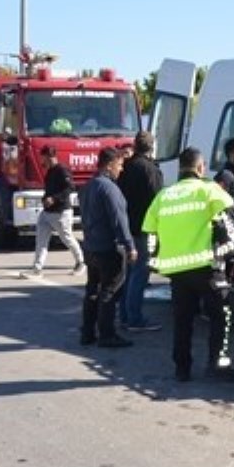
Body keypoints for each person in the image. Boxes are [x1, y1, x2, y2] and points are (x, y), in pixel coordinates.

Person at [144, 147, 234, 382]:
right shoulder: (210, 191)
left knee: (183, 320)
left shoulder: (163, 196)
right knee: (222, 314)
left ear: (180, 168)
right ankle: (217, 364)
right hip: (206, 267)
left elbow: (150, 235)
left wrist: (157, 262)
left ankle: (182, 368)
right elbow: (232, 227)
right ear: (201, 168)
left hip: (177, 271)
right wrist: (226, 252)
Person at [78, 147, 137, 347]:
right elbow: (119, 220)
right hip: (107, 248)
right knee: (109, 291)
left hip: (91, 246)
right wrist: (130, 246)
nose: (121, 170)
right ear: (110, 165)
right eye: (120, 165)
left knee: (93, 290)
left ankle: (87, 332)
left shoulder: (88, 186)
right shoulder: (109, 188)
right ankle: (107, 335)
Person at [115, 131, 164, 332]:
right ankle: (134, 317)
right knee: (140, 273)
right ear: (151, 147)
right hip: (143, 227)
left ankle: (125, 315)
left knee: (129, 272)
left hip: (127, 226)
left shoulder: (126, 166)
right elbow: (157, 200)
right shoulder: (150, 169)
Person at [21, 146, 85, 278]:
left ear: (49, 157)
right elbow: (49, 190)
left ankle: (81, 262)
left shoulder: (62, 170)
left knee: (67, 238)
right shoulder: (50, 171)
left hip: (61, 212)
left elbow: (70, 188)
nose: (41, 161)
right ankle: (37, 268)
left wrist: (54, 199)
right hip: (47, 213)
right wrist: (45, 198)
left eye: (43, 158)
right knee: (41, 240)